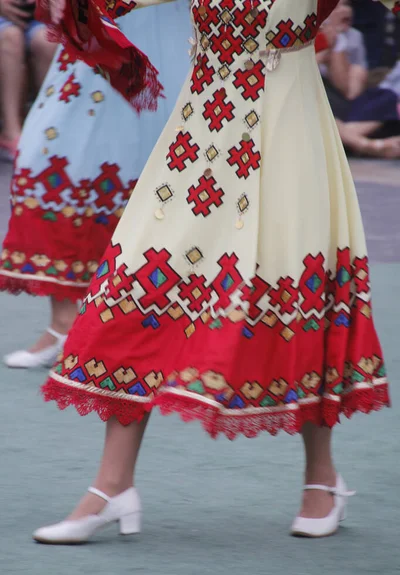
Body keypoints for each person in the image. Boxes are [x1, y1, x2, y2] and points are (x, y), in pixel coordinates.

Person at [33, 0, 398, 545]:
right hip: (197, 139)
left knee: (296, 285)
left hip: (286, 135)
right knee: (138, 281)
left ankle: (321, 476)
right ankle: (111, 486)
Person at [0, 1, 190, 368]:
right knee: (51, 160)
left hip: (157, 32)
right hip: (97, 30)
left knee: (153, 168)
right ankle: (66, 324)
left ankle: (151, 328)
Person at [318, 0, 400, 158]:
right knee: (315, 96)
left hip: (343, 104)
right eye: (337, 7)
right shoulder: (304, 35)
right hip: (315, 98)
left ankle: (347, 138)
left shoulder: (354, 37)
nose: (344, 11)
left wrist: (335, 45)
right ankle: (366, 145)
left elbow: (350, 92)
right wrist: (321, 49)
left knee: (386, 97)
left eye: (347, 5)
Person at [0, 0, 56, 160]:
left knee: (46, 40)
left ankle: (49, 128)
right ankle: (11, 132)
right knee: (10, 37)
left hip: (36, 16)